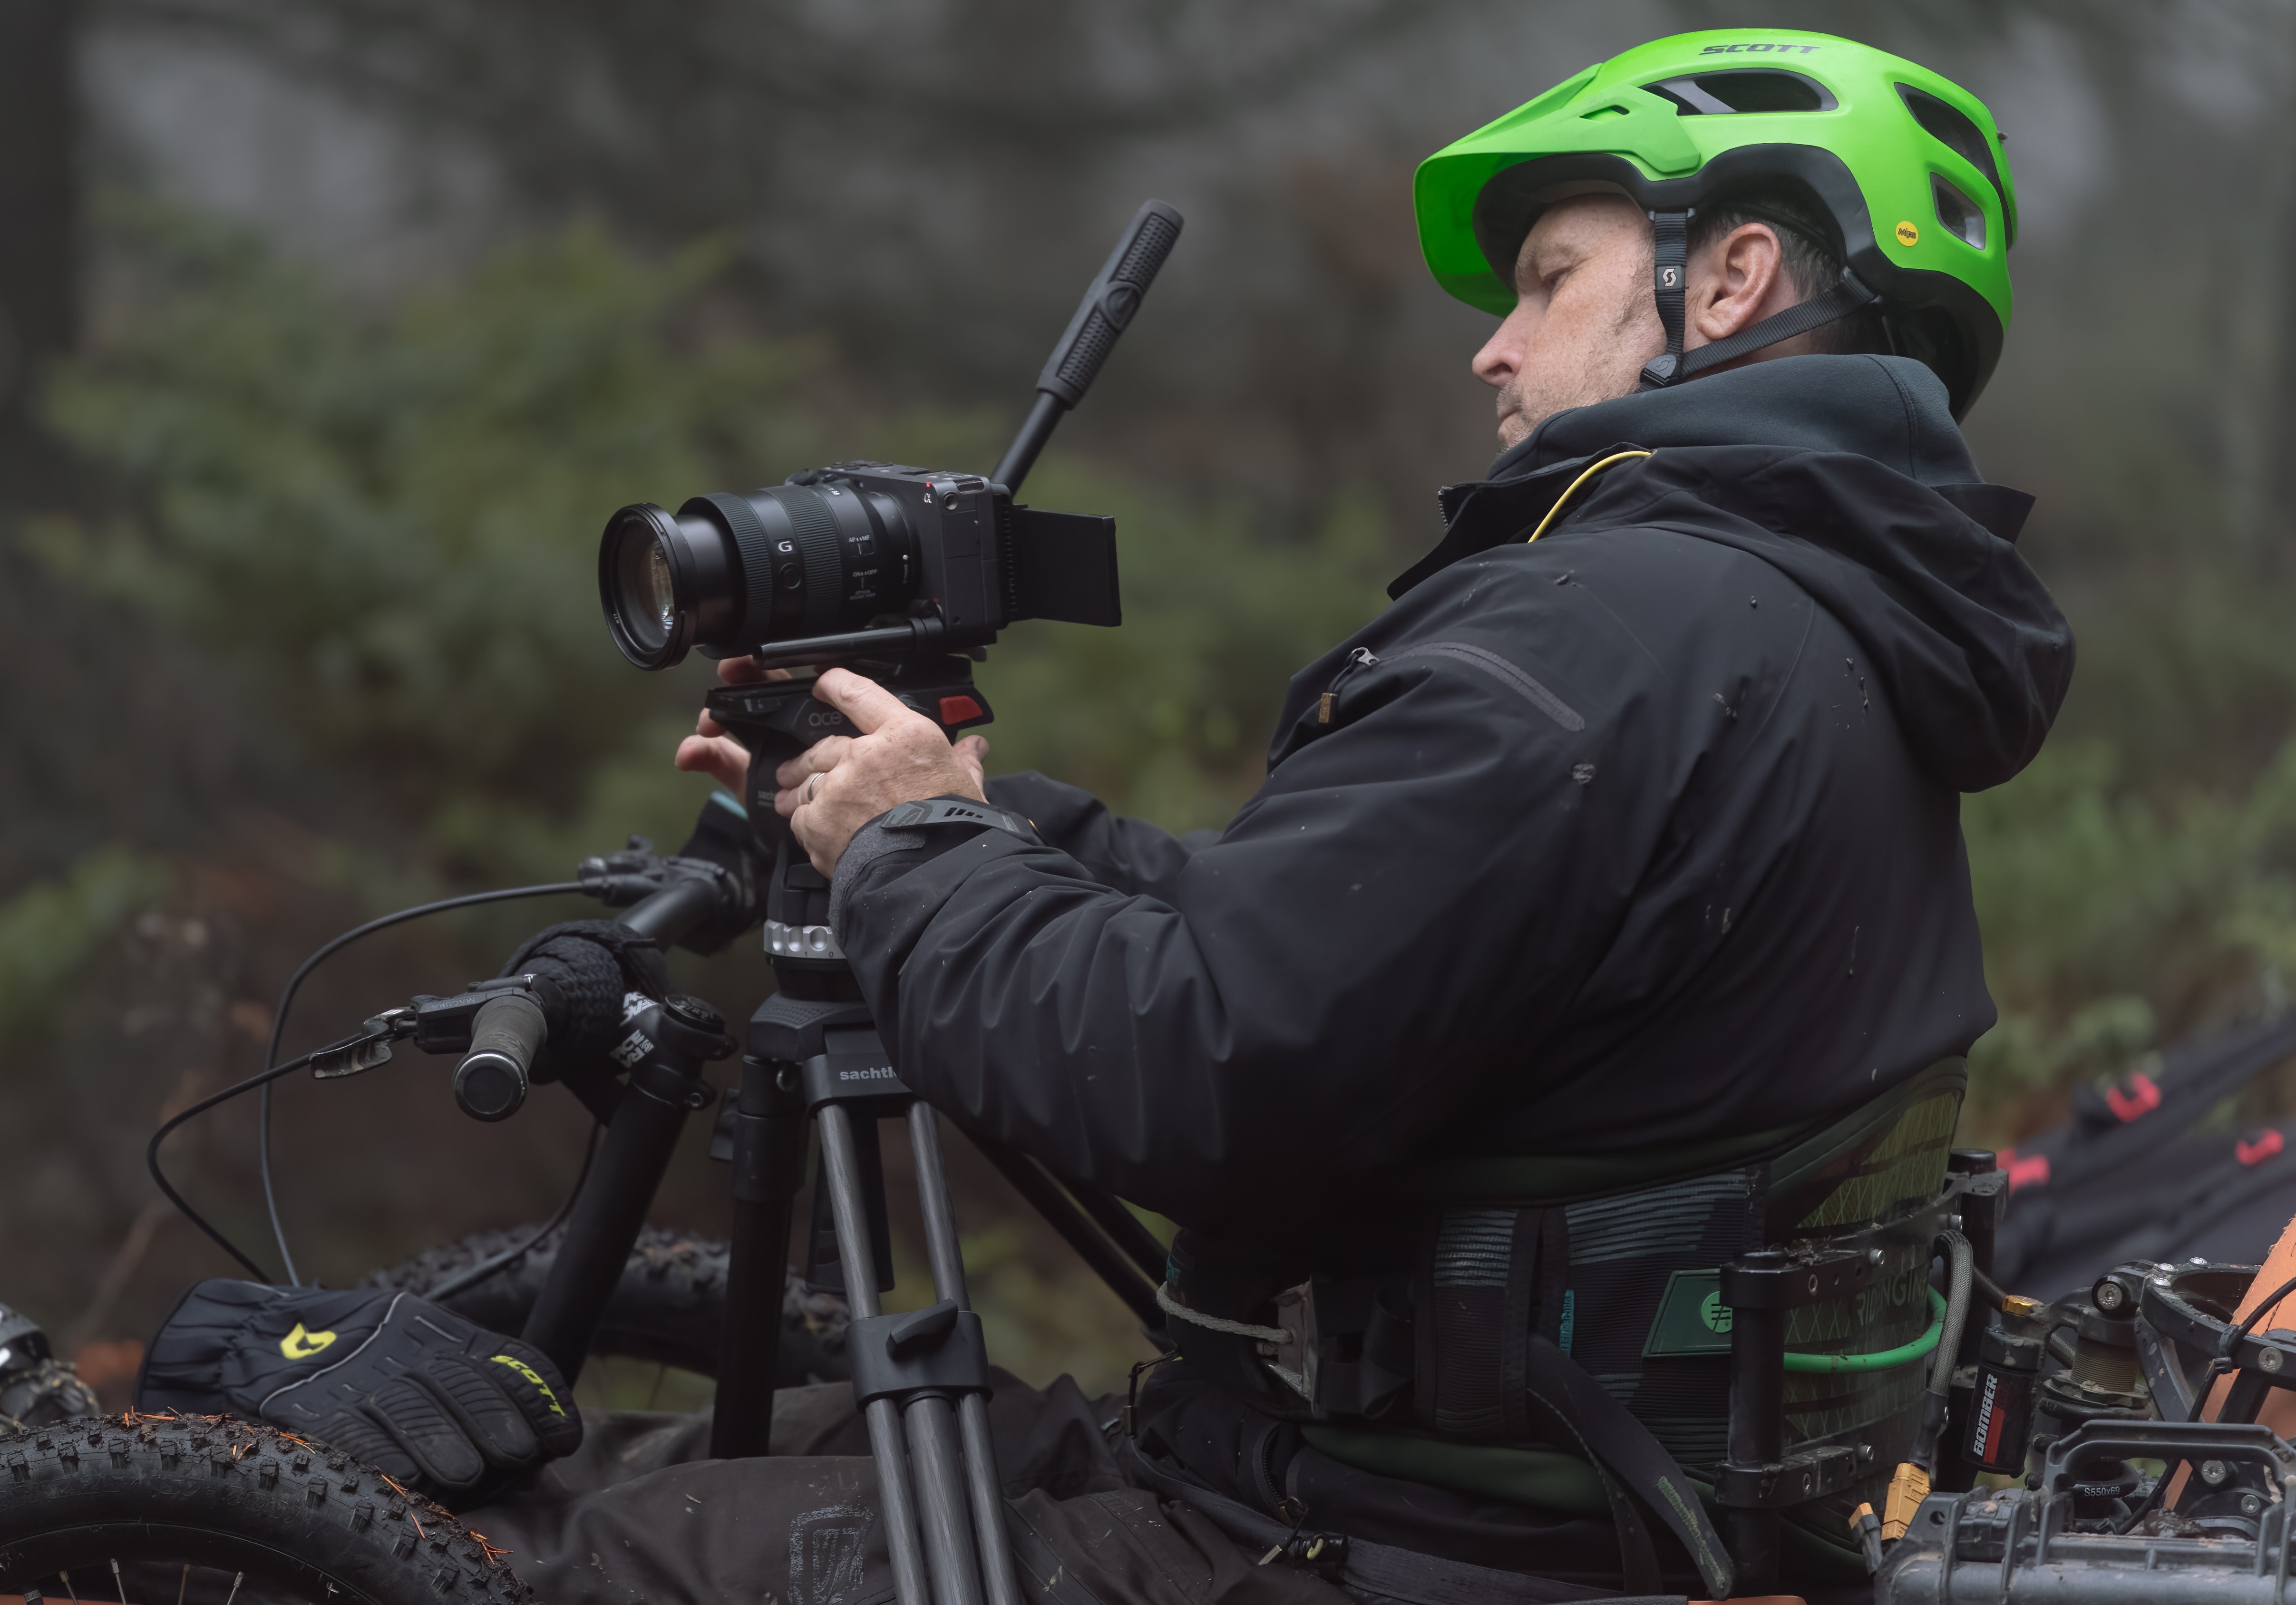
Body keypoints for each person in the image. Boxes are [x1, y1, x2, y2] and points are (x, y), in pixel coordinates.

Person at [147, 28, 2072, 1604]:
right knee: (704, 1462)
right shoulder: (1801, 620)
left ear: (1725, 278)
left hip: (1363, 1540)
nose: (1491, 347)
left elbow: (1197, 1084)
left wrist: (909, 855)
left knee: (488, 1550)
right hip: (1517, 1501)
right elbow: (1355, 974)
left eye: (1546, 280)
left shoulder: (1604, 625)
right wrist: (996, 822)